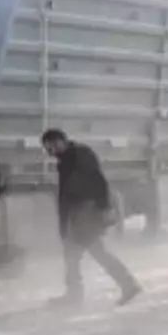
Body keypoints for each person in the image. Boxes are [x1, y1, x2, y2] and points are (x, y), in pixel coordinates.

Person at [42, 129, 141, 306]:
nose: (51, 150)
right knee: (80, 254)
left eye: (53, 145)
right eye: (48, 147)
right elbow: (66, 195)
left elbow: (98, 180)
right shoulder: (65, 160)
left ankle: (124, 285)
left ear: (63, 141)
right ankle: (125, 285)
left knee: (88, 253)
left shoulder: (80, 154)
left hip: (88, 212)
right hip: (79, 214)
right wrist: (64, 222)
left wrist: (103, 208)